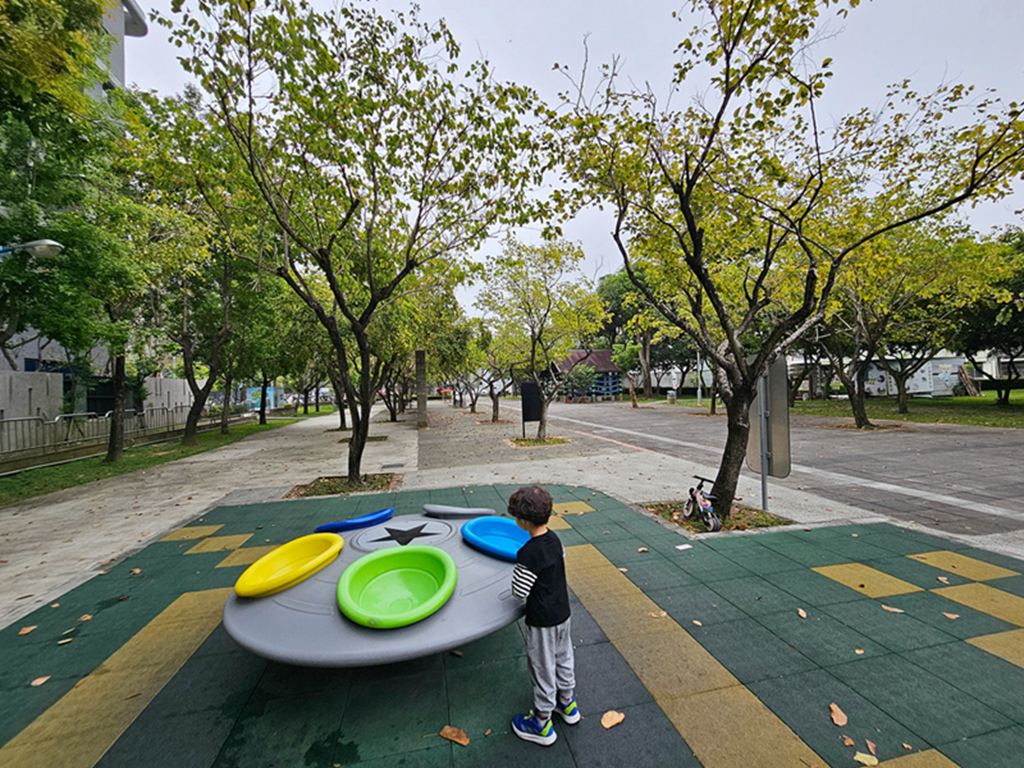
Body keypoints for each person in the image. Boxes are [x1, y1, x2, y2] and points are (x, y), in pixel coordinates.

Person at [507, 485, 579, 746]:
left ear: (523, 521)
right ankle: (567, 704)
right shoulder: (555, 540)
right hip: (563, 614)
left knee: (542, 666)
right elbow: (557, 560)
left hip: (542, 622)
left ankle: (541, 722)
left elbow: (518, 592)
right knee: (563, 657)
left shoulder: (528, 553)